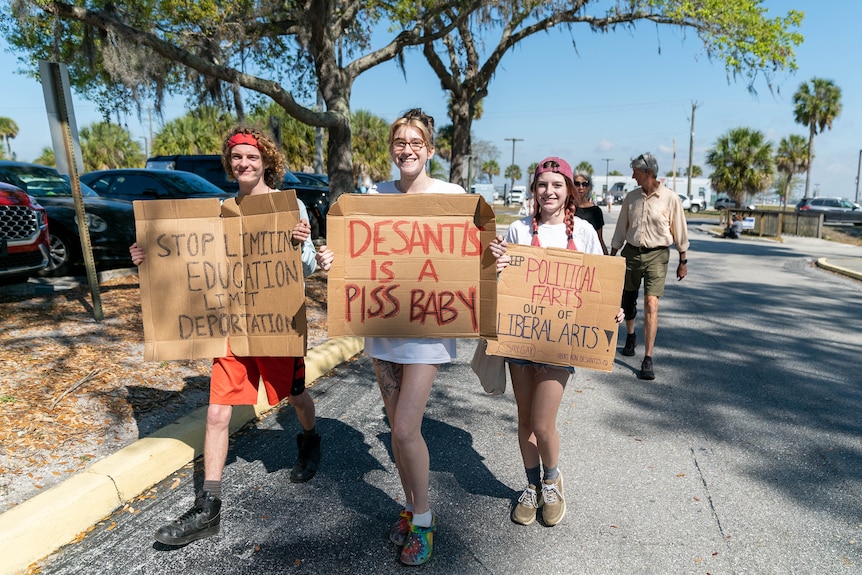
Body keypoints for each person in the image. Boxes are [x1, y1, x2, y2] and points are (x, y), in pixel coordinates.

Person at [130, 126, 321, 546]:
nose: (244, 163)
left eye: (252, 157)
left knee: (295, 397)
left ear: (266, 160)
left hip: (274, 324)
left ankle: (309, 438)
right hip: (231, 325)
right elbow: (187, 261)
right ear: (229, 163)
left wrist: (300, 245)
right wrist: (147, 258)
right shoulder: (219, 210)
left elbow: (306, 269)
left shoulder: (290, 206)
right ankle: (208, 507)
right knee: (218, 413)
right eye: (237, 157)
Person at [315, 108, 466, 566]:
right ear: (391, 149)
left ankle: (423, 520)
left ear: (431, 149)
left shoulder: (451, 196)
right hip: (382, 329)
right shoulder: (373, 197)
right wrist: (330, 263)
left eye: (416, 142)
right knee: (397, 435)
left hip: (429, 329)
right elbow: (350, 256)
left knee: (405, 428)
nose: (407, 149)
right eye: (400, 141)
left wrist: (491, 257)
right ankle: (410, 505)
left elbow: (468, 259)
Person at [489, 157, 624, 528]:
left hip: (561, 341)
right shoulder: (516, 230)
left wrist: (613, 312)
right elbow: (498, 285)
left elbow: (602, 286)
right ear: (534, 190)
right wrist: (494, 266)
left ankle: (552, 480)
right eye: (542, 185)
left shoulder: (582, 233)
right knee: (523, 420)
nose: (549, 191)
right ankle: (531, 486)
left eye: (557, 185)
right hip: (519, 339)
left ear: (570, 193)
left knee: (543, 422)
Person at [610, 152, 689, 381]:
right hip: (632, 254)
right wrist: (612, 254)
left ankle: (648, 358)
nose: (633, 175)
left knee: (652, 304)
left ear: (648, 173)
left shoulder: (671, 198)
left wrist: (683, 261)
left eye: (636, 171)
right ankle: (632, 336)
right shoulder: (631, 197)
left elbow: (679, 231)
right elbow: (621, 228)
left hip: (657, 255)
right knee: (628, 301)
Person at [572, 171, 609, 255]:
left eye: (585, 184)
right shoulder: (566, 208)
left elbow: (599, 238)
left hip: (589, 254)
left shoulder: (595, 211)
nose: (581, 187)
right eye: (577, 184)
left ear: (589, 187)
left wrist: (606, 257)